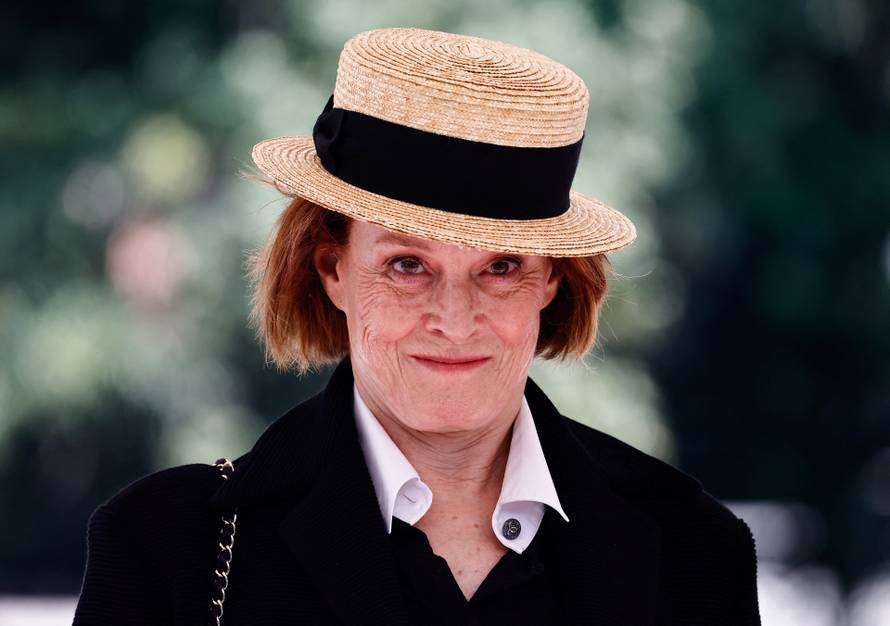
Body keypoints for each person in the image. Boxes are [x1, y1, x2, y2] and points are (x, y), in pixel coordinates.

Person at [73, 27, 761, 625]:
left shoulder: (694, 552)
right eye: (407, 264)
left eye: (501, 266)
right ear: (332, 268)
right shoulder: (166, 551)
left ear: (551, 279)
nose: (454, 321)